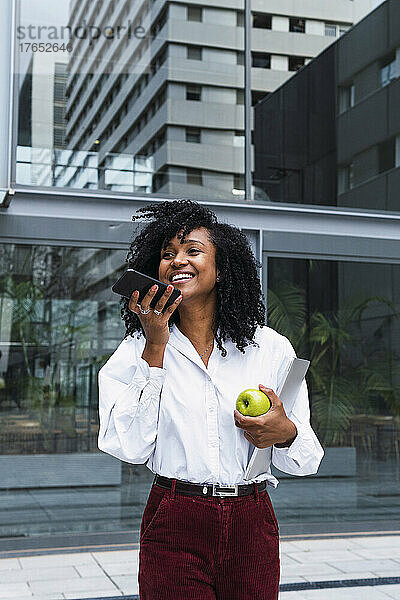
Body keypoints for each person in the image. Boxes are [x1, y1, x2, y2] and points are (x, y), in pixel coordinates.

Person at [98, 199, 324, 600]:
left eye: (192, 250)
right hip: (174, 517)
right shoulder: (136, 349)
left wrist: (284, 431)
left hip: (250, 521)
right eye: (167, 254)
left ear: (222, 269)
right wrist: (156, 346)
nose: (177, 260)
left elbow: (305, 459)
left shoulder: (268, 348)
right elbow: (128, 447)